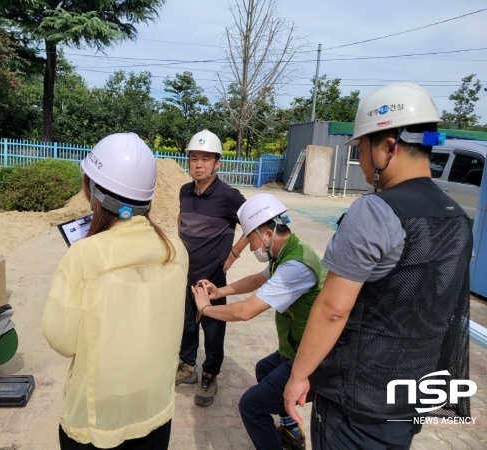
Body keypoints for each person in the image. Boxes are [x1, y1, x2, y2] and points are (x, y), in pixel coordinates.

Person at [283, 82, 474, 450]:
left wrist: (299, 375)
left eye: (363, 148)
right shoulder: (456, 216)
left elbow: (334, 311)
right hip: (411, 393)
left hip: (359, 398)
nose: (363, 160)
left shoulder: (375, 211)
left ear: (388, 145)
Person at [43, 133, 189, 450]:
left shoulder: (84, 255)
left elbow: (62, 339)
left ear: (93, 191)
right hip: (154, 411)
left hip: (98, 422)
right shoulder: (176, 250)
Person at [191, 193, 327, 450]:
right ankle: (291, 432)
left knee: (251, 406)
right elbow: (257, 279)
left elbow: (245, 312)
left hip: (316, 357)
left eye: (250, 238)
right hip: (298, 347)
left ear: (266, 232)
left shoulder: (295, 267)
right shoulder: (287, 252)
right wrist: (220, 292)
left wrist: (206, 309)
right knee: (265, 369)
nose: (251, 246)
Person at [175, 129, 248, 407]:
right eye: (194, 158)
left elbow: (260, 222)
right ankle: (187, 366)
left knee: (214, 330)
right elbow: (182, 220)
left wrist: (235, 251)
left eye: (206, 159)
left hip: (212, 283)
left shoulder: (229, 196)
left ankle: (210, 375)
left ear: (218, 163)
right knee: (186, 326)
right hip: (186, 277)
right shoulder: (184, 191)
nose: (199, 164)